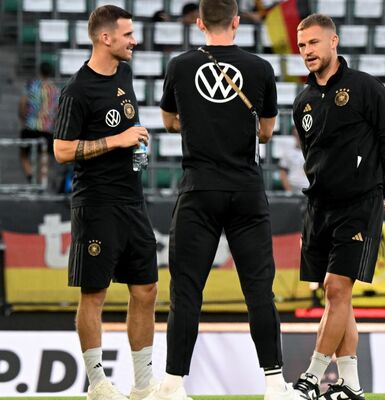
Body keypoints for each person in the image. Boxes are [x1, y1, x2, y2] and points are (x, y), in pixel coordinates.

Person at [146, 1, 299, 400]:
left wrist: (198, 122)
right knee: (258, 291)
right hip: (246, 190)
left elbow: (167, 120)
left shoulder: (180, 66)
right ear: (236, 22)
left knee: (186, 291)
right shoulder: (261, 69)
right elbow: (266, 132)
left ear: (198, 24)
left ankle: (173, 385)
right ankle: (273, 384)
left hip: (199, 189)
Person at [291, 13, 385, 400]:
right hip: (319, 207)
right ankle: (351, 386)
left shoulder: (365, 88)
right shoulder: (303, 101)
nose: (306, 51)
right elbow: (313, 157)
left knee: (336, 287)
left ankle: (311, 377)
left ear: (334, 42)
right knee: (338, 298)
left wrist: (376, 191)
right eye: (302, 44)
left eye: (313, 43)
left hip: (358, 206)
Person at [52, 5, 157, 400]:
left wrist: (133, 141)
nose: (134, 40)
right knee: (94, 294)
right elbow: (61, 150)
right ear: (105, 37)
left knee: (146, 288)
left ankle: (144, 385)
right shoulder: (77, 90)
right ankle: (97, 383)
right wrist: (118, 140)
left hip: (132, 200)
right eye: (128, 34)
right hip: (95, 203)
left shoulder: (124, 75)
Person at [19, 62, 59, 184]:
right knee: (44, 156)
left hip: (30, 126)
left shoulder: (31, 85)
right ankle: (42, 181)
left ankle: (31, 178)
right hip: (47, 128)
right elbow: (58, 110)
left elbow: (23, 103)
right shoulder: (56, 90)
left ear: (39, 71)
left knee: (24, 155)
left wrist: (22, 119)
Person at [279, 128, 310, 194]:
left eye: (300, 134)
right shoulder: (287, 152)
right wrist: (289, 191)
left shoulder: (311, 152)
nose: (298, 137)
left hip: (309, 188)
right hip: (293, 187)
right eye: (296, 135)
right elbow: (282, 173)